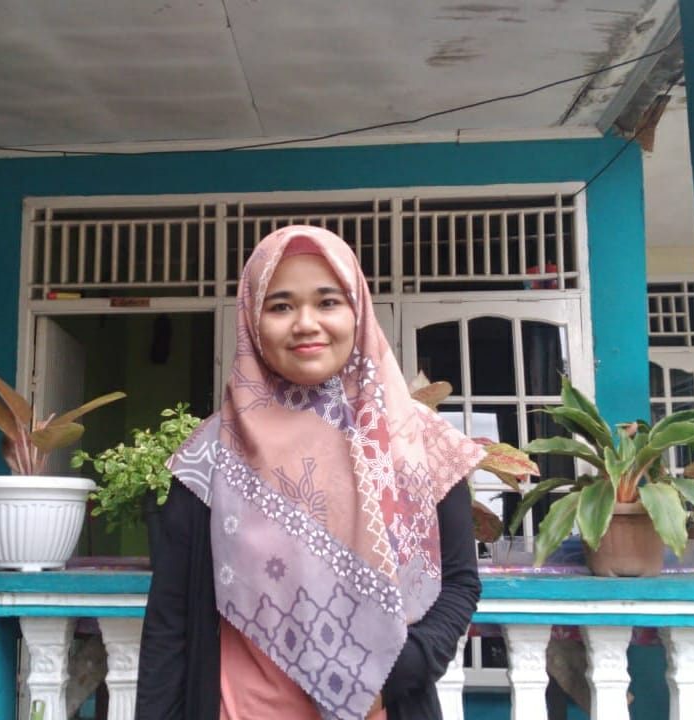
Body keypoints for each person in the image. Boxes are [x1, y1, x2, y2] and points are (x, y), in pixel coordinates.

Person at [135, 225, 485, 720]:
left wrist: (392, 677)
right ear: (252, 320)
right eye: (280, 306)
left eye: (328, 302)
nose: (305, 323)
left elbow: (459, 583)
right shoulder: (211, 455)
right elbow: (170, 619)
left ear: (358, 311)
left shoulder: (418, 443)